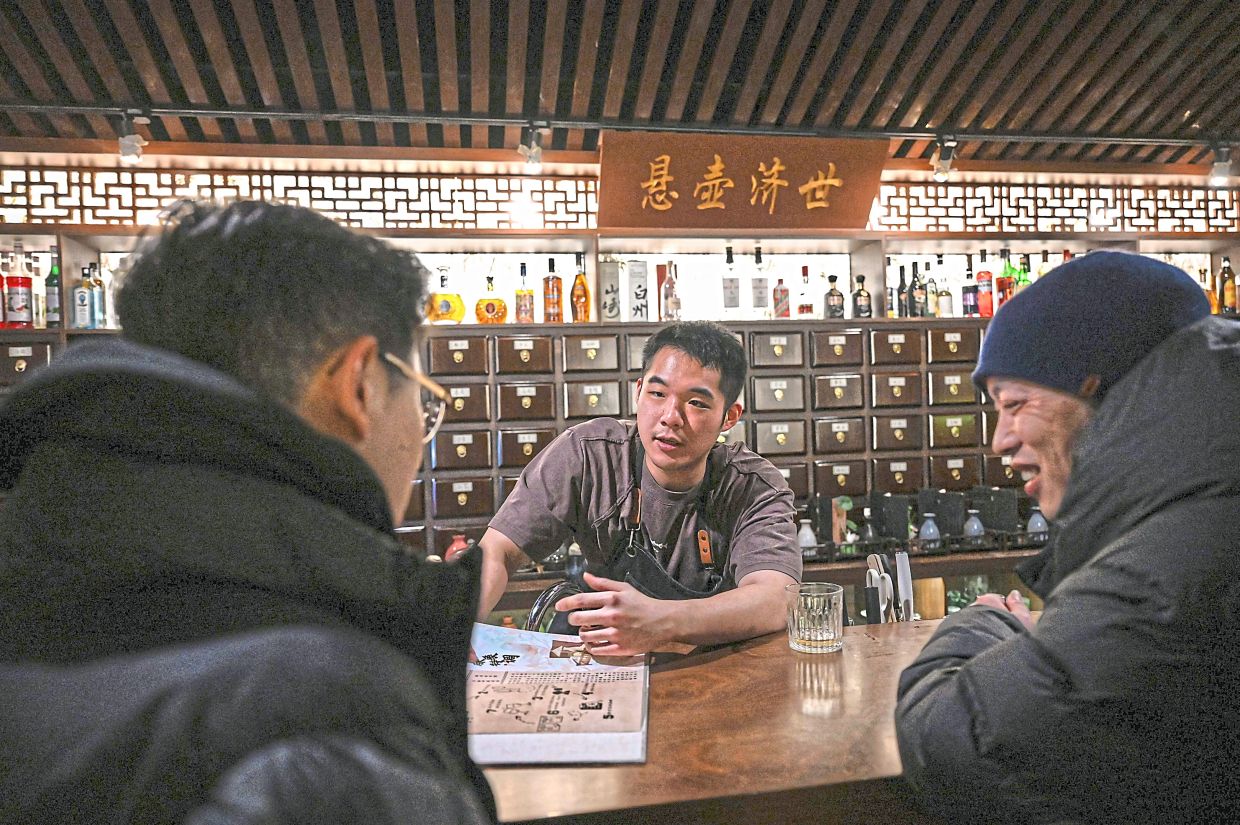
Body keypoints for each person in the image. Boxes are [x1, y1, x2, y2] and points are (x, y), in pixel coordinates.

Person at [0, 200, 494, 824]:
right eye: (424, 399)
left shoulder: (37, 548)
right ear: (359, 382)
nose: (421, 430)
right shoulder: (333, 711)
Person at [895, 251, 1240, 823]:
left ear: (1100, 386)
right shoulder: (1199, 497)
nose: (999, 441)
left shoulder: (1170, 564)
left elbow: (966, 746)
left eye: (1014, 404)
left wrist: (981, 626)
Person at [477, 321, 801, 656]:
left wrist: (663, 623)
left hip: (715, 671)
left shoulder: (752, 486)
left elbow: (777, 598)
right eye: (657, 394)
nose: (670, 416)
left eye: (697, 403)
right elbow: (496, 552)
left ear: (729, 416)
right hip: (606, 664)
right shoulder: (590, 455)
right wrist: (459, 627)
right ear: (638, 391)